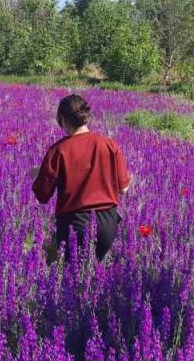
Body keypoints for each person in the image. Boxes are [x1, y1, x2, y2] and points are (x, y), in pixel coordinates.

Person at [31, 95, 131, 264]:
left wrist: (38, 175)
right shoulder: (109, 144)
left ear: (62, 119)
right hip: (107, 223)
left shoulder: (58, 150)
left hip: (75, 224)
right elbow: (124, 189)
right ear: (86, 116)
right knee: (95, 272)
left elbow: (42, 195)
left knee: (72, 274)